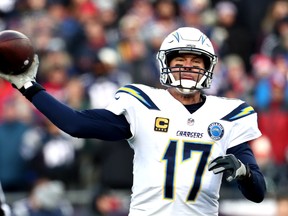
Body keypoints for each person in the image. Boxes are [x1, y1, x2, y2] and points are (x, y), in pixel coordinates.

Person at [0, 27, 266, 216]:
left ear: (207, 68)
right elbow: (76, 125)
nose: (187, 66)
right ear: (166, 65)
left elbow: (258, 192)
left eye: (196, 61)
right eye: (180, 59)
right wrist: (28, 86)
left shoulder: (228, 114)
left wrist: (242, 171)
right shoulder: (143, 104)